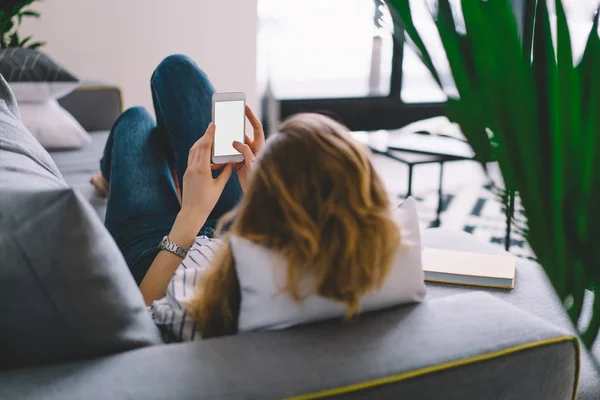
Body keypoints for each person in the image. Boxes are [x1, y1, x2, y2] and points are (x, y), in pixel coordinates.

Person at [96, 55, 401, 341]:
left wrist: (190, 214)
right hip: (250, 228)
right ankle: (175, 175)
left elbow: (141, 312)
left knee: (135, 122)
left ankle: (118, 179)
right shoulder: (375, 253)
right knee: (176, 71)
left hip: (164, 252)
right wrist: (258, 195)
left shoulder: (220, 301)